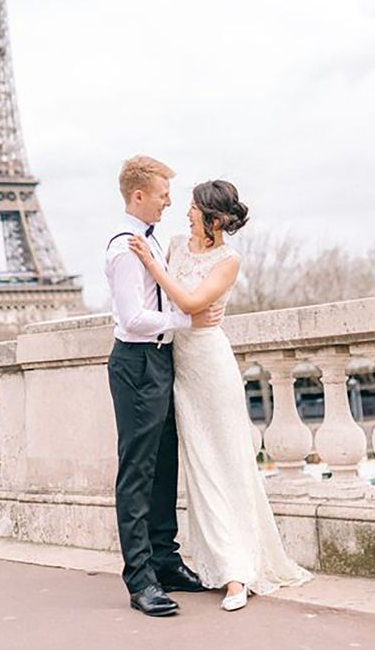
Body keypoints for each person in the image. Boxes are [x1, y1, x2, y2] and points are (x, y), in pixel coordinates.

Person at [127, 178, 313, 611]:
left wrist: (157, 271)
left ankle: (237, 574)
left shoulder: (227, 260)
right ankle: (215, 562)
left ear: (212, 216)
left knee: (228, 465)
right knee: (200, 470)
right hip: (178, 368)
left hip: (210, 368)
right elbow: (172, 305)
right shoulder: (173, 244)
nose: (185, 212)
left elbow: (191, 305)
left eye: (193, 207)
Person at [105, 155, 225, 617]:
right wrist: (186, 319)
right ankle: (140, 580)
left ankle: (165, 560)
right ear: (139, 196)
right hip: (137, 362)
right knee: (137, 471)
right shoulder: (124, 249)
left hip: (159, 359)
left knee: (164, 465)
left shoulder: (149, 244)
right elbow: (132, 319)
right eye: (161, 195)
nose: (169, 202)